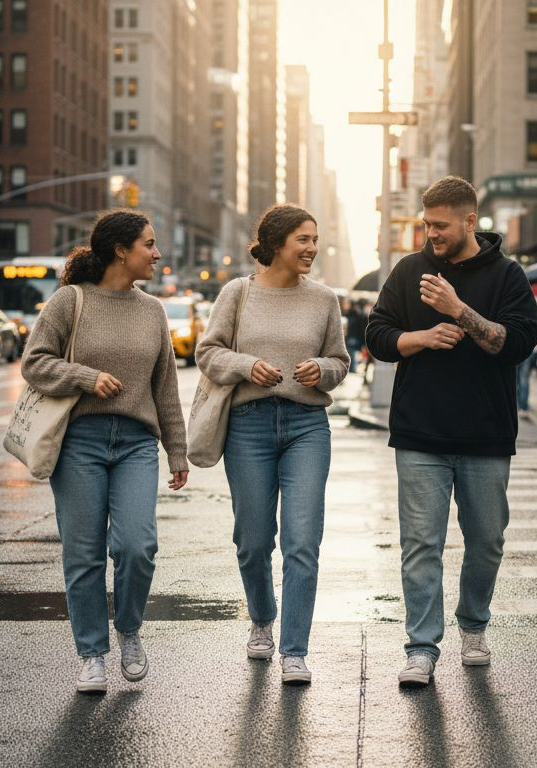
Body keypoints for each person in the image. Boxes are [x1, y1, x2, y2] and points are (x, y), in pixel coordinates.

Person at [365, 176, 537, 687]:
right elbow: (377, 336)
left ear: (470, 221)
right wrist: (420, 336)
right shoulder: (409, 270)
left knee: (487, 540)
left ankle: (473, 624)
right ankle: (421, 647)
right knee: (420, 544)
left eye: (440, 225)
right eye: (426, 224)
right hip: (420, 434)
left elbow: (518, 343)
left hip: (486, 435)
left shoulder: (508, 275)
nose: (431, 234)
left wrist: (458, 310)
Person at [21, 209, 189, 694]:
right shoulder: (69, 302)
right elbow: (34, 362)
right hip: (80, 443)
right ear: (121, 250)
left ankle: (129, 629)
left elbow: (165, 388)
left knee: (138, 546)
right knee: (84, 555)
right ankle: (92, 654)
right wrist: (85, 377)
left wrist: (176, 451)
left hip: (137, 442)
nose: (157, 254)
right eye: (149, 245)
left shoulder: (153, 310)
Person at [195, 204, 350, 685]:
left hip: (307, 425)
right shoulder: (237, 293)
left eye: (315, 239)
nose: (311, 248)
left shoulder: (324, 299)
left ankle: (294, 650)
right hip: (248, 424)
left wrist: (320, 370)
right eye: (303, 239)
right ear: (278, 243)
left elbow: (340, 362)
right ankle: (262, 618)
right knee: (254, 539)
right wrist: (246, 366)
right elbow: (207, 352)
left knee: (303, 542)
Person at [344, 298, 367, 373]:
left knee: (351, 353)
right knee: (352, 353)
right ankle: (352, 368)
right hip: (355, 337)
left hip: (351, 337)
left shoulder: (351, 314)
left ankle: (352, 368)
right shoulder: (361, 314)